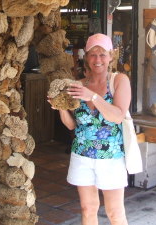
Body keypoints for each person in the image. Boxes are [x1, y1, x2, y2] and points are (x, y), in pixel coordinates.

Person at [53, 33, 131, 225]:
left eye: (102, 54)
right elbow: (72, 125)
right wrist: (61, 109)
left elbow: (117, 116)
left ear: (111, 56)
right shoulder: (77, 85)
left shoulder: (119, 80)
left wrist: (93, 97)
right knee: (88, 209)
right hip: (82, 155)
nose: (98, 60)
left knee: (115, 213)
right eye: (93, 54)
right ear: (86, 57)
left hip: (110, 157)